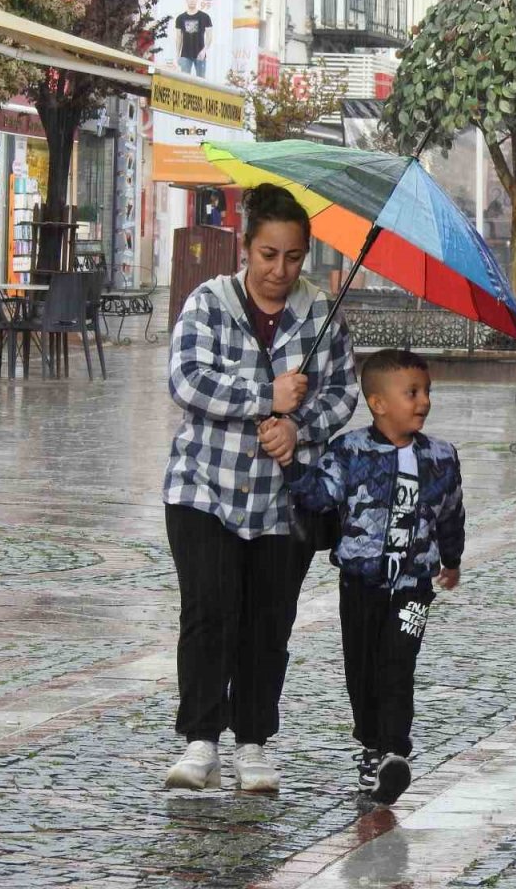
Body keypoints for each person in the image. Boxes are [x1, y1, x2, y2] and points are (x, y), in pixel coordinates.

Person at [162, 184, 359, 792]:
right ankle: (200, 740)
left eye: (294, 256)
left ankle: (253, 741)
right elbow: (187, 380)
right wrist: (263, 400)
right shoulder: (208, 303)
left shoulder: (321, 314)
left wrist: (298, 427)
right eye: (268, 254)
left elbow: (343, 392)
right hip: (203, 488)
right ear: (246, 248)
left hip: (283, 499)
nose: (279, 269)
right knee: (208, 609)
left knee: (268, 621)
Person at [292, 349, 465, 806]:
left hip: (413, 587)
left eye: (427, 391)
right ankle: (370, 744)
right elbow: (317, 496)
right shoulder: (350, 451)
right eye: (412, 393)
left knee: (397, 663)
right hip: (360, 584)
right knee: (363, 669)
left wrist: (452, 559)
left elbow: (451, 512)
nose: (423, 401)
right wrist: (289, 460)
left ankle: (394, 752)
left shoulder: (442, 456)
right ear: (378, 403)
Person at [175, 0, 214, 79]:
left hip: (200, 54)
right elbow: (178, 38)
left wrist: (204, 50)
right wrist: (177, 54)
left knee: (201, 81)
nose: (192, 0)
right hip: (185, 55)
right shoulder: (180, 18)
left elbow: (209, 36)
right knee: (184, 81)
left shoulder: (205, 17)